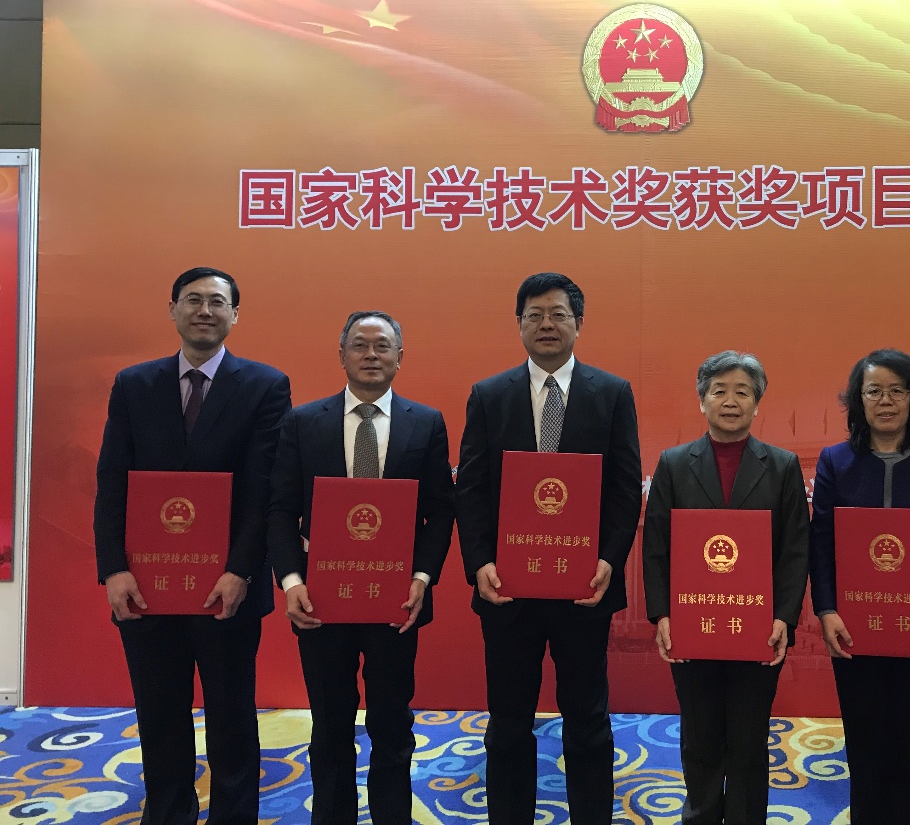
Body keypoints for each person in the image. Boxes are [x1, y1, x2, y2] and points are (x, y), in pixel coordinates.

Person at [92, 267, 291, 825]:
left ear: (234, 315)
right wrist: (113, 568)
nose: (205, 311)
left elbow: (263, 490)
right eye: (193, 300)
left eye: (217, 302)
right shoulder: (135, 384)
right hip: (146, 585)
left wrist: (241, 570)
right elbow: (112, 480)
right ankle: (167, 813)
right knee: (159, 715)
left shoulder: (265, 385)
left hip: (226, 586)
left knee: (232, 715)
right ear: (173, 309)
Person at [455, 272, 642, 825]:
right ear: (519, 325)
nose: (546, 324)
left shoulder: (612, 393)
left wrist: (609, 560)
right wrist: (480, 562)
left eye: (558, 314)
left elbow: (624, 487)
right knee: (509, 720)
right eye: (534, 315)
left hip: (584, 587)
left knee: (587, 718)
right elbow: (471, 488)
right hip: (507, 589)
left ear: (578, 324)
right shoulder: (489, 396)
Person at [267, 311, 456, 825]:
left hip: (396, 599)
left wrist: (422, 578)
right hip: (321, 598)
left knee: (392, 723)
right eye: (359, 345)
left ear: (399, 356)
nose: (371, 354)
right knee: (330, 723)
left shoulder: (425, 422)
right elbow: (281, 509)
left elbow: (441, 510)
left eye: (382, 346)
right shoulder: (304, 422)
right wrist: (291, 580)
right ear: (342, 354)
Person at [642, 350, 809, 825]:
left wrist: (784, 617)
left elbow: (795, 549)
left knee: (749, 740)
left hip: (757, 629)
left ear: (757, 403)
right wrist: (662, 614)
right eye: (719, 391)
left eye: (742, 392)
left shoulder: (782, 466)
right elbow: (656, 546)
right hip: (693, 626)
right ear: (702, 401)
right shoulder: (674, 463)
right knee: (700, 738)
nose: (731, 401)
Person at [808, 349, 910, 825]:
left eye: (898, 390)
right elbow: (821, 542)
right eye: (874, 390)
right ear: (858, 400)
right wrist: (826, 610)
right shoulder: (835, 462)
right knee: (867, 744)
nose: (886, 401)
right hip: (855, 628)